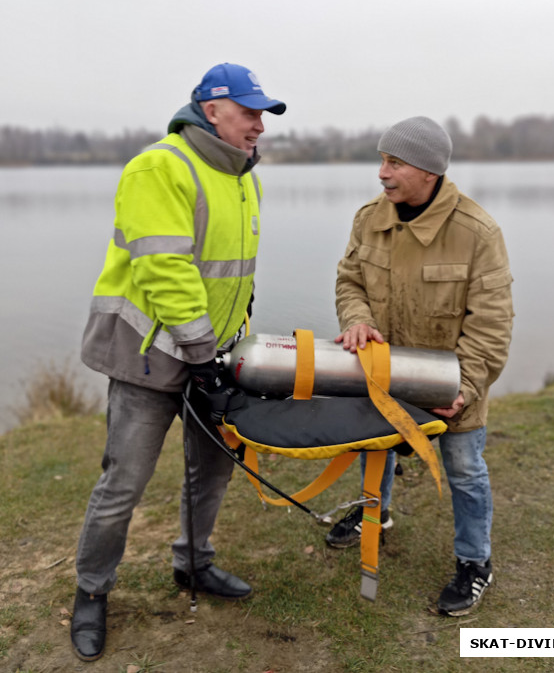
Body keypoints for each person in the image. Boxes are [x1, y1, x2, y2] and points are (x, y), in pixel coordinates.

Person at [70, 63, 286, 662]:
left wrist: (228, 350)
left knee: (211, 473)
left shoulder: (245, 179)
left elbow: (232, 277)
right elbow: (165, 268)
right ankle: (92, 590)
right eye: (249, 112)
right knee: (124, 482)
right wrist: (201, 354)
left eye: (263, 114)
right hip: (149, 360)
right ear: (211, 111)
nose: (259, 125)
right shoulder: (160, 167)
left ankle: (193, 564)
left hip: (212, 358)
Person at [325, 116, 513, 617]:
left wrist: (465, 386)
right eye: (381, 160)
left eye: (395, 162)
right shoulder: (369, 218)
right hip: (384, 376)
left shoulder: (478, 232)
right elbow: (350, 281)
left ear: (429, 171)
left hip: (452, 386)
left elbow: (492, 323)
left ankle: (475, 561)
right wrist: (358, 320)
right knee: (375, 451)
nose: (381, 173)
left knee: (465, 470)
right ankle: (375, 516)